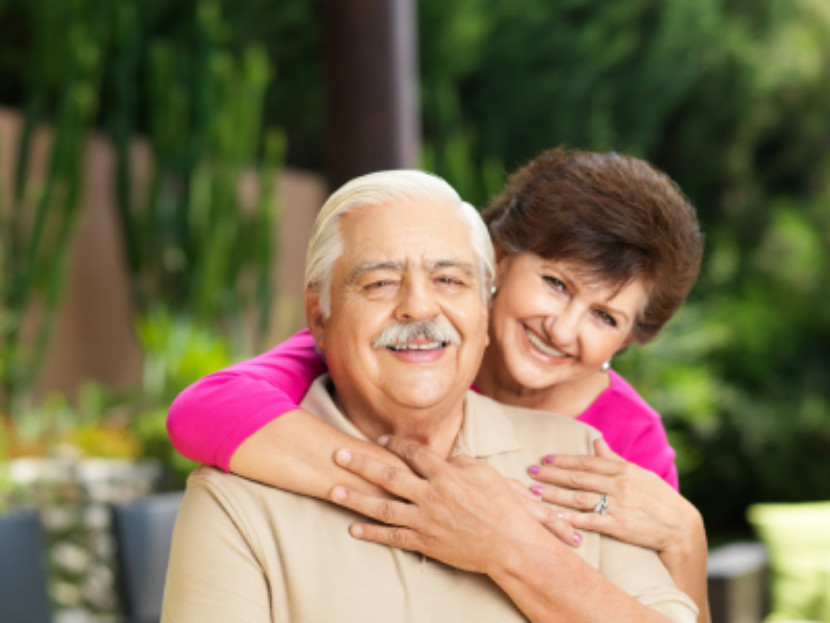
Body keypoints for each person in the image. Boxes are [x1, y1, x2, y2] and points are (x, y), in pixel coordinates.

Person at [167, 148, 709, 618]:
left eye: (605, 317)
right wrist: (423, 490)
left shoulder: (618, 444)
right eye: (555, 284)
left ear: (627, 343)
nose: (562, 329)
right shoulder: (375, 346)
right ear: (497, 263)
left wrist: (688, 540)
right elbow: (203, 410)